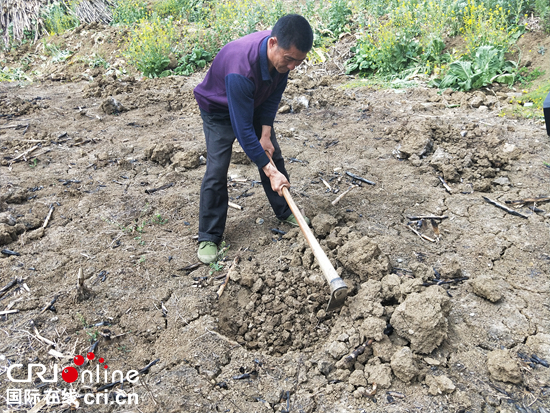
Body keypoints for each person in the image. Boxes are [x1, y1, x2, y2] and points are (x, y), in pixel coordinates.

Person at [193, 14, 313, 264]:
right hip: (219, 108)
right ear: (272, 43)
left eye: (298, 62)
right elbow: (243, 130)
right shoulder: (241, 68)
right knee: (217, 168)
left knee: (272, 154)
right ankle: (209, 235)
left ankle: (285, 211)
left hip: (254, 98)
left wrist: (266, 134)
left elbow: (272, 97)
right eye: (290, 60)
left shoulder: (283, 61)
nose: (292, 67)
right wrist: (270, 172)